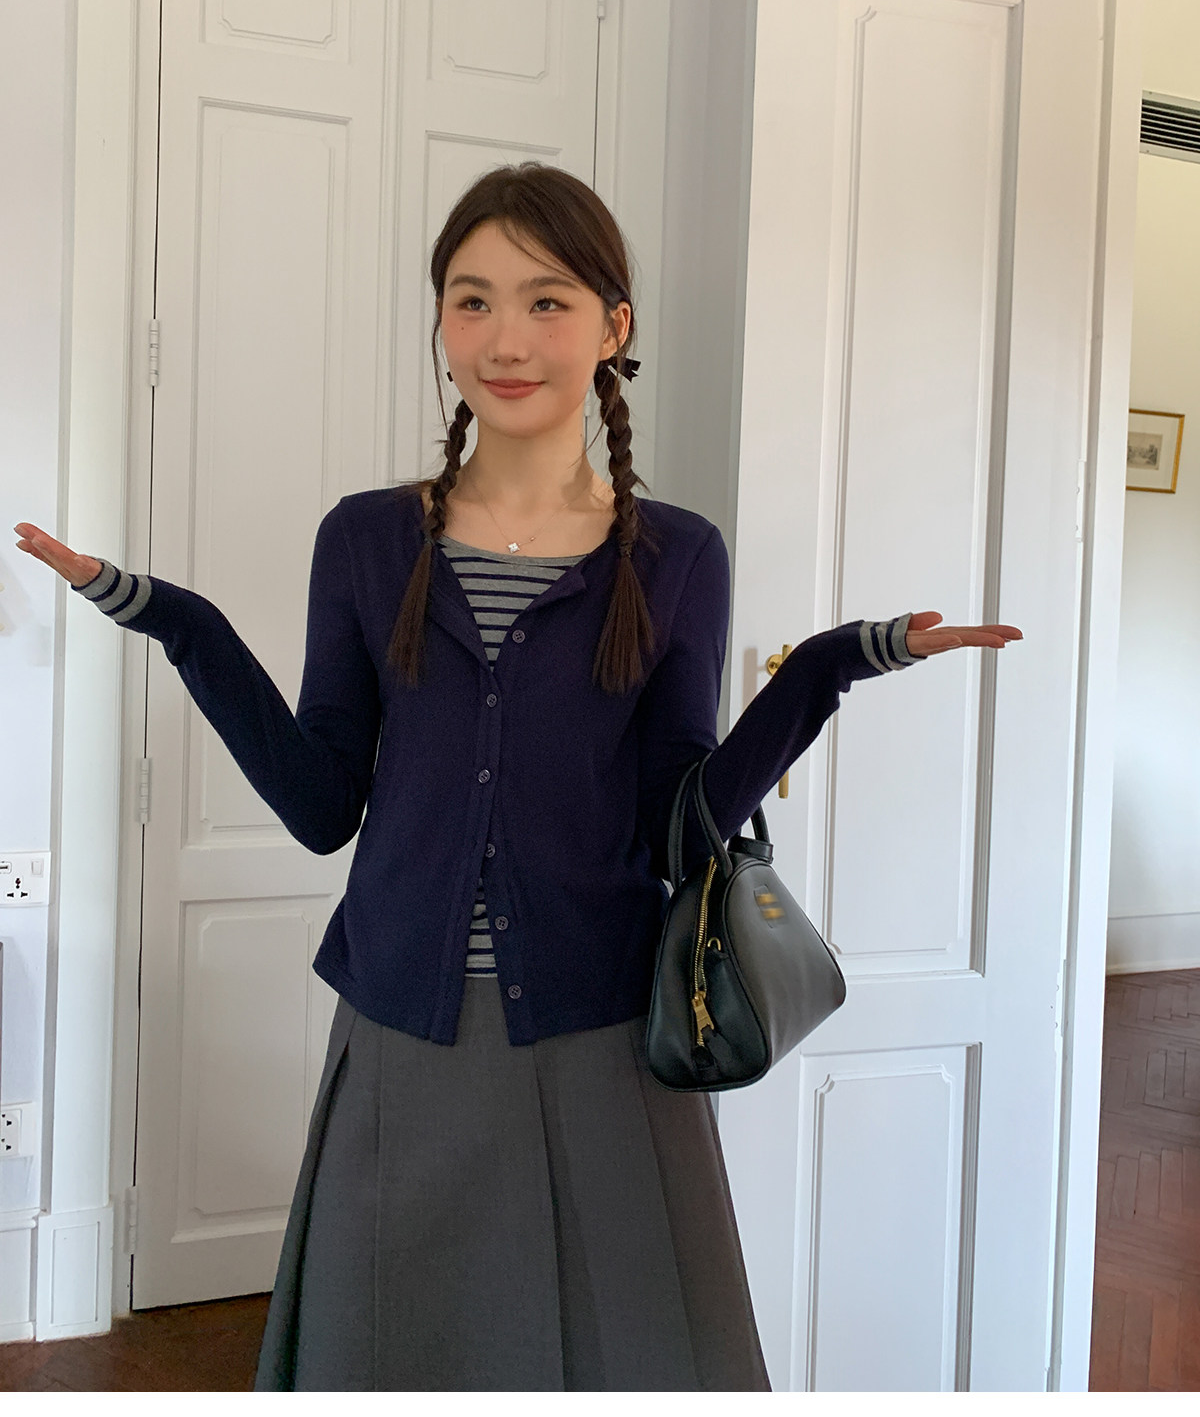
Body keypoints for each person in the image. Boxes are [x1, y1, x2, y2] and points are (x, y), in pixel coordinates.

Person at [13, 162, 1022, 1393]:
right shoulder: (366, 539)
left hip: (600, 1033)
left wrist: (825, 671)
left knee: (620, 1356)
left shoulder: (676, 557)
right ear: (443, 323)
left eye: (547, 301)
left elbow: (678, 827)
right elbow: (323, 808)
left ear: (613, 325)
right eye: (472, 299)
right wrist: (183, 626)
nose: (506, 338)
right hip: (405, 1025)